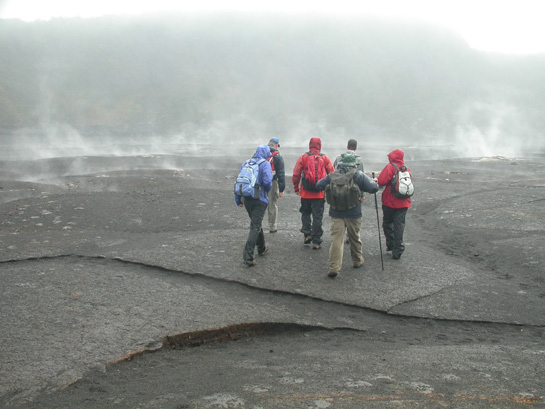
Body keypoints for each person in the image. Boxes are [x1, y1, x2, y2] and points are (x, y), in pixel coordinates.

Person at [315, 152, 379, 277]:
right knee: (354, 237)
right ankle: (357, 260)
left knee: (336, 240)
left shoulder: (332, 175)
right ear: (354, 164)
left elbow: (319, 185)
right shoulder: (358, 175)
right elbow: (373, 188)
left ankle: (334, 267)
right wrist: (374, 182)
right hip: (354, 212)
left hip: (336, 212)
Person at [292, 137, 335, 249]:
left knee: (305, 213)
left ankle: (307, 234)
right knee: (317, 216)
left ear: (310, 145)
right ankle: (316, 241)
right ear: (320, 145)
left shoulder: (304, 157)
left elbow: (296, 173)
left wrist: (296, 187)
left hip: (305, 192)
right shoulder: (325, 158)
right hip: (319, 193)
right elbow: (332, 174)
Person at [235, 145, 273, 266]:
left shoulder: (246, 163)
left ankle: (261, 248)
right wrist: (266, 191)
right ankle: (248, 256)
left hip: (247, 198)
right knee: (255, 226)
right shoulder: (265, 164)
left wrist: (238, 199)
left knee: (256, 223)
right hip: (259, 199)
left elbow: (239, 181)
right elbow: (267, 182)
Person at [374, 149, 412, 260]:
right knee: (399, 226)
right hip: (404, 203)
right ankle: (398, 248)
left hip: (390, 202)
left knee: (387, 223)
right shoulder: (406, 169)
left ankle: (391, 245)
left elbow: (381, 181)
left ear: (392, 157)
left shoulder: (390, 167)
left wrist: (376, 180)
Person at [266, 137, 286, 233]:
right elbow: (281, 174)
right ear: (276, 145)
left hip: (259, 182)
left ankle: (256, 225)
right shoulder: (277, 156)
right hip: (272, 182)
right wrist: (281, 189)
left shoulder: (261, 153)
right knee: (272, 204)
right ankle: (272, 226)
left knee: (259, 203)